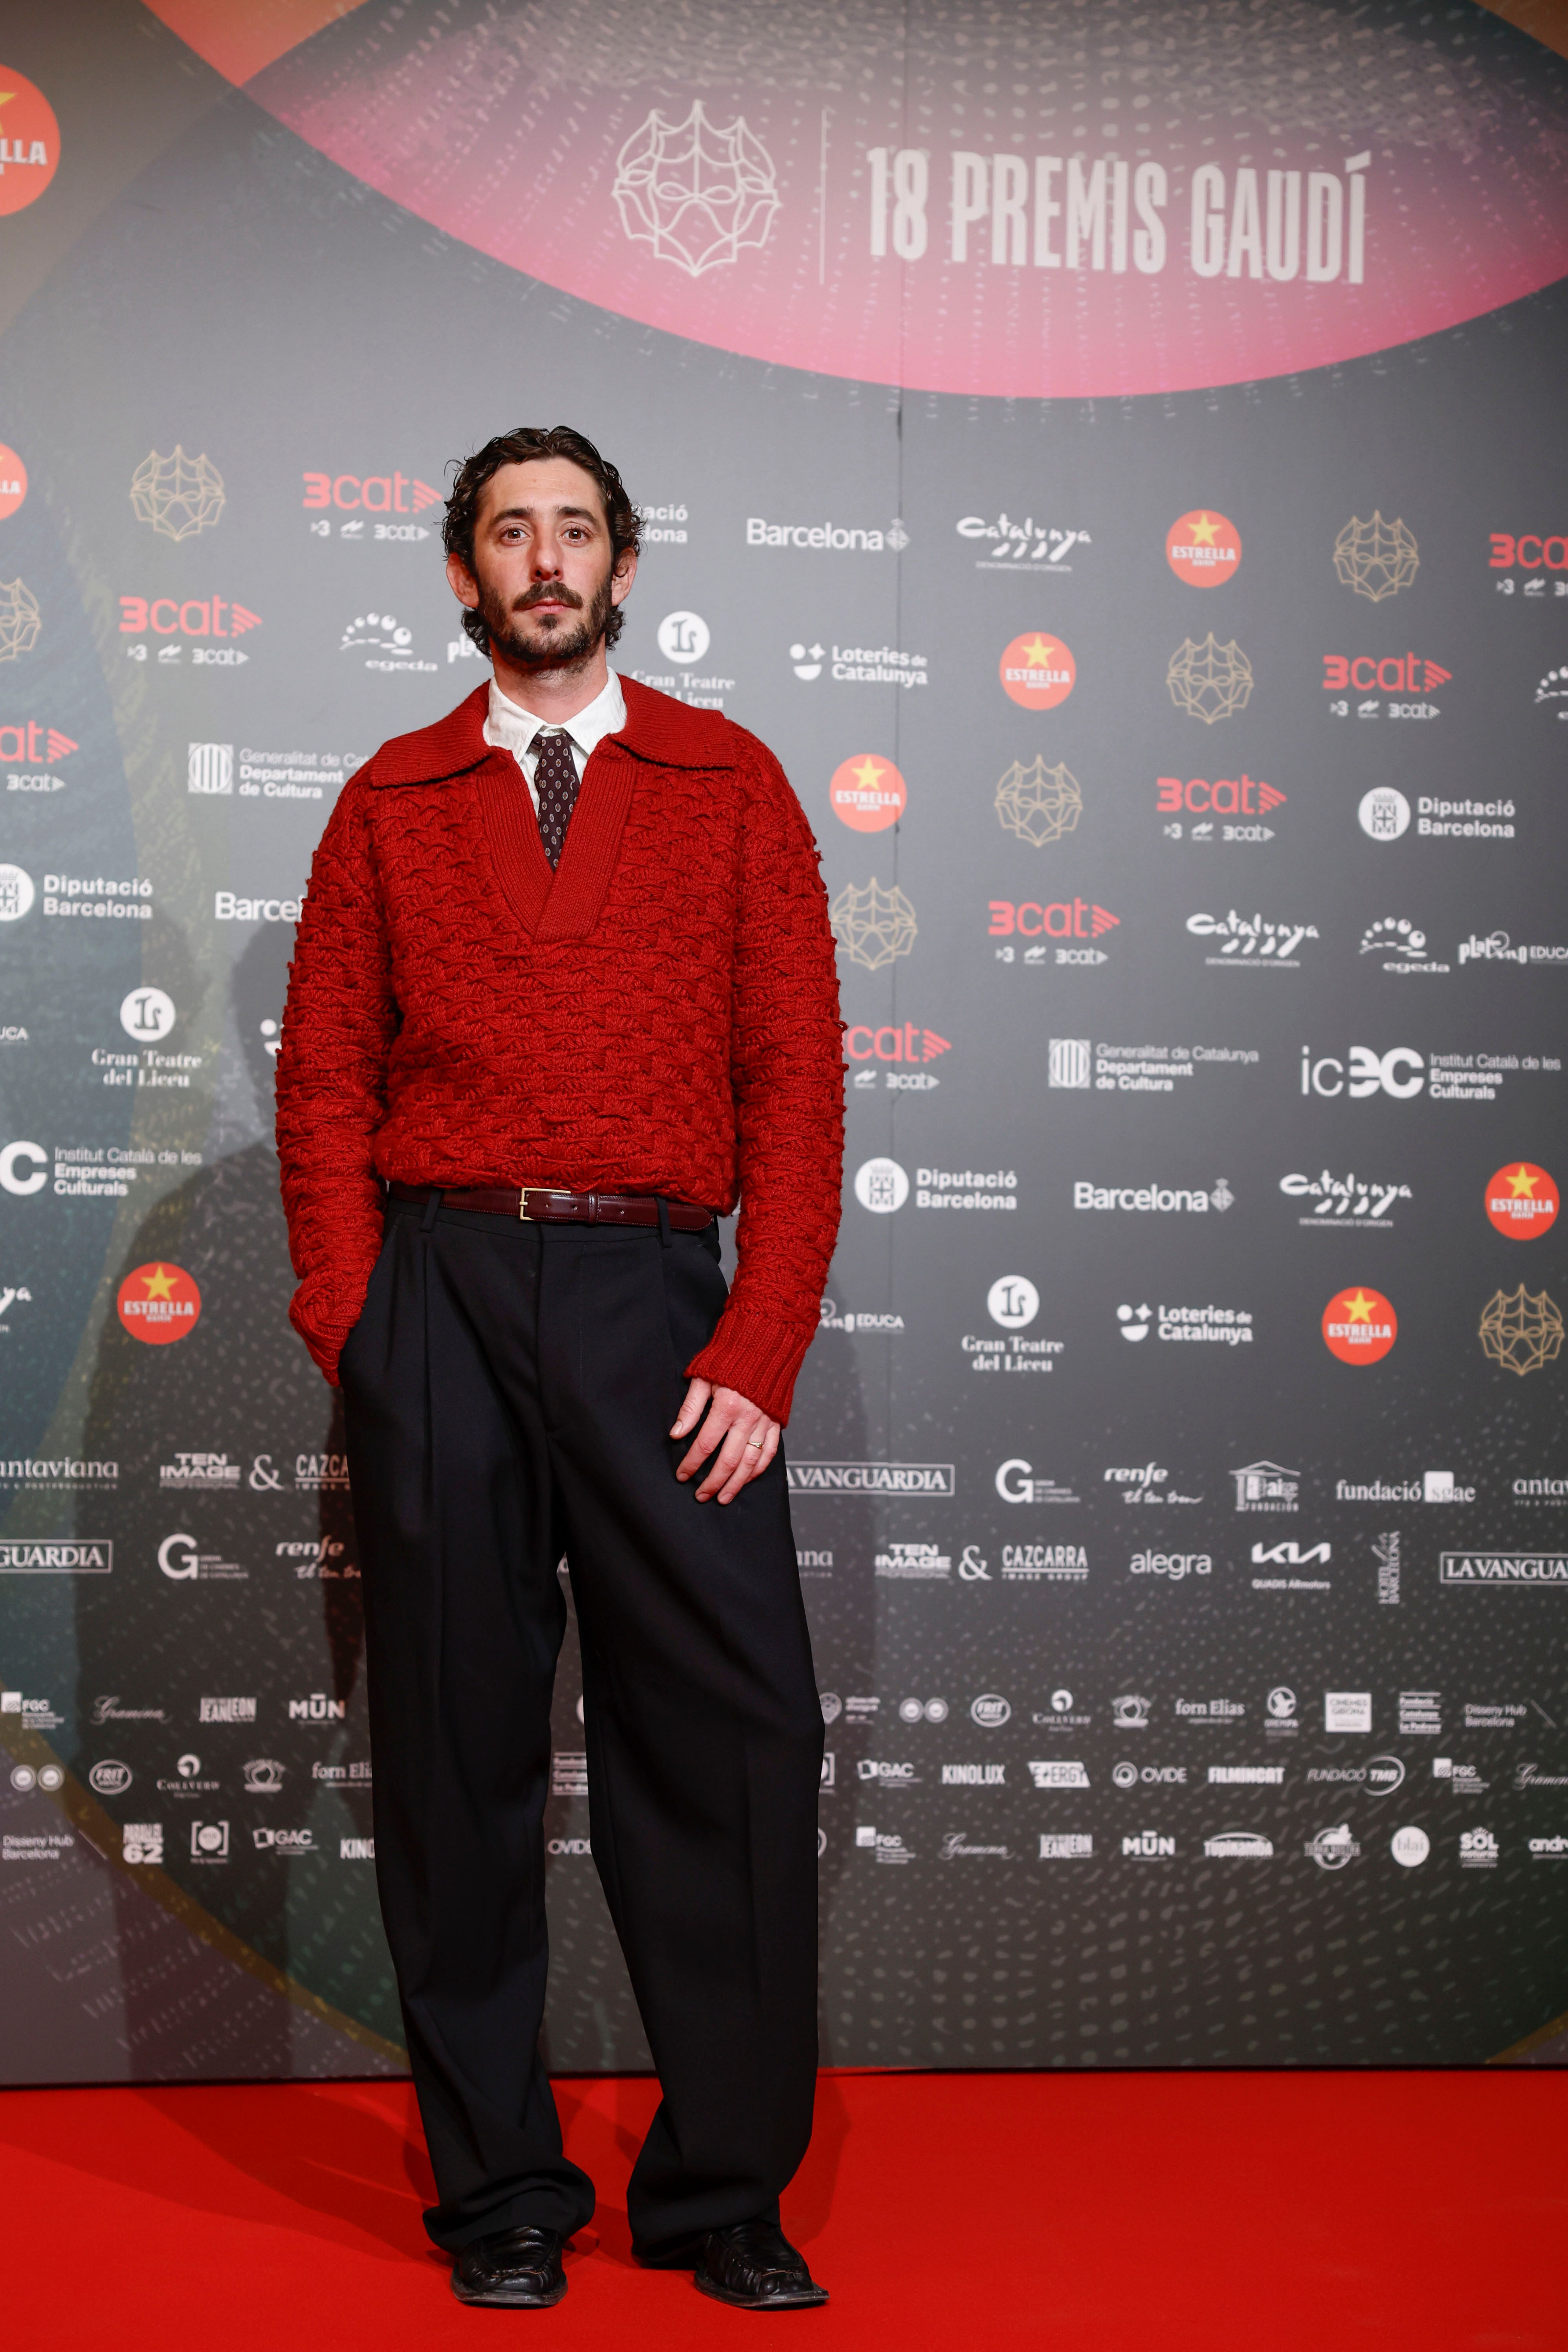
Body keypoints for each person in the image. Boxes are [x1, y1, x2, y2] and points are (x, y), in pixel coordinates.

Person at [275, 425, 844, 2311]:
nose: (543, 559)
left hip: (661, 1308)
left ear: (621, 565)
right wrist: (361, 1326)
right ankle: (502, 2195)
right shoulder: (389, 796)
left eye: (574, 530)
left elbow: (798, 1079)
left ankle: (721, 2195)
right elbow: (324, 1079)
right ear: (463, 571)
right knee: (456, 1768)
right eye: (509, 531)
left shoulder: (729, 780)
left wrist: (758, 1339)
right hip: (438, 1296)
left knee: (736, 1749)